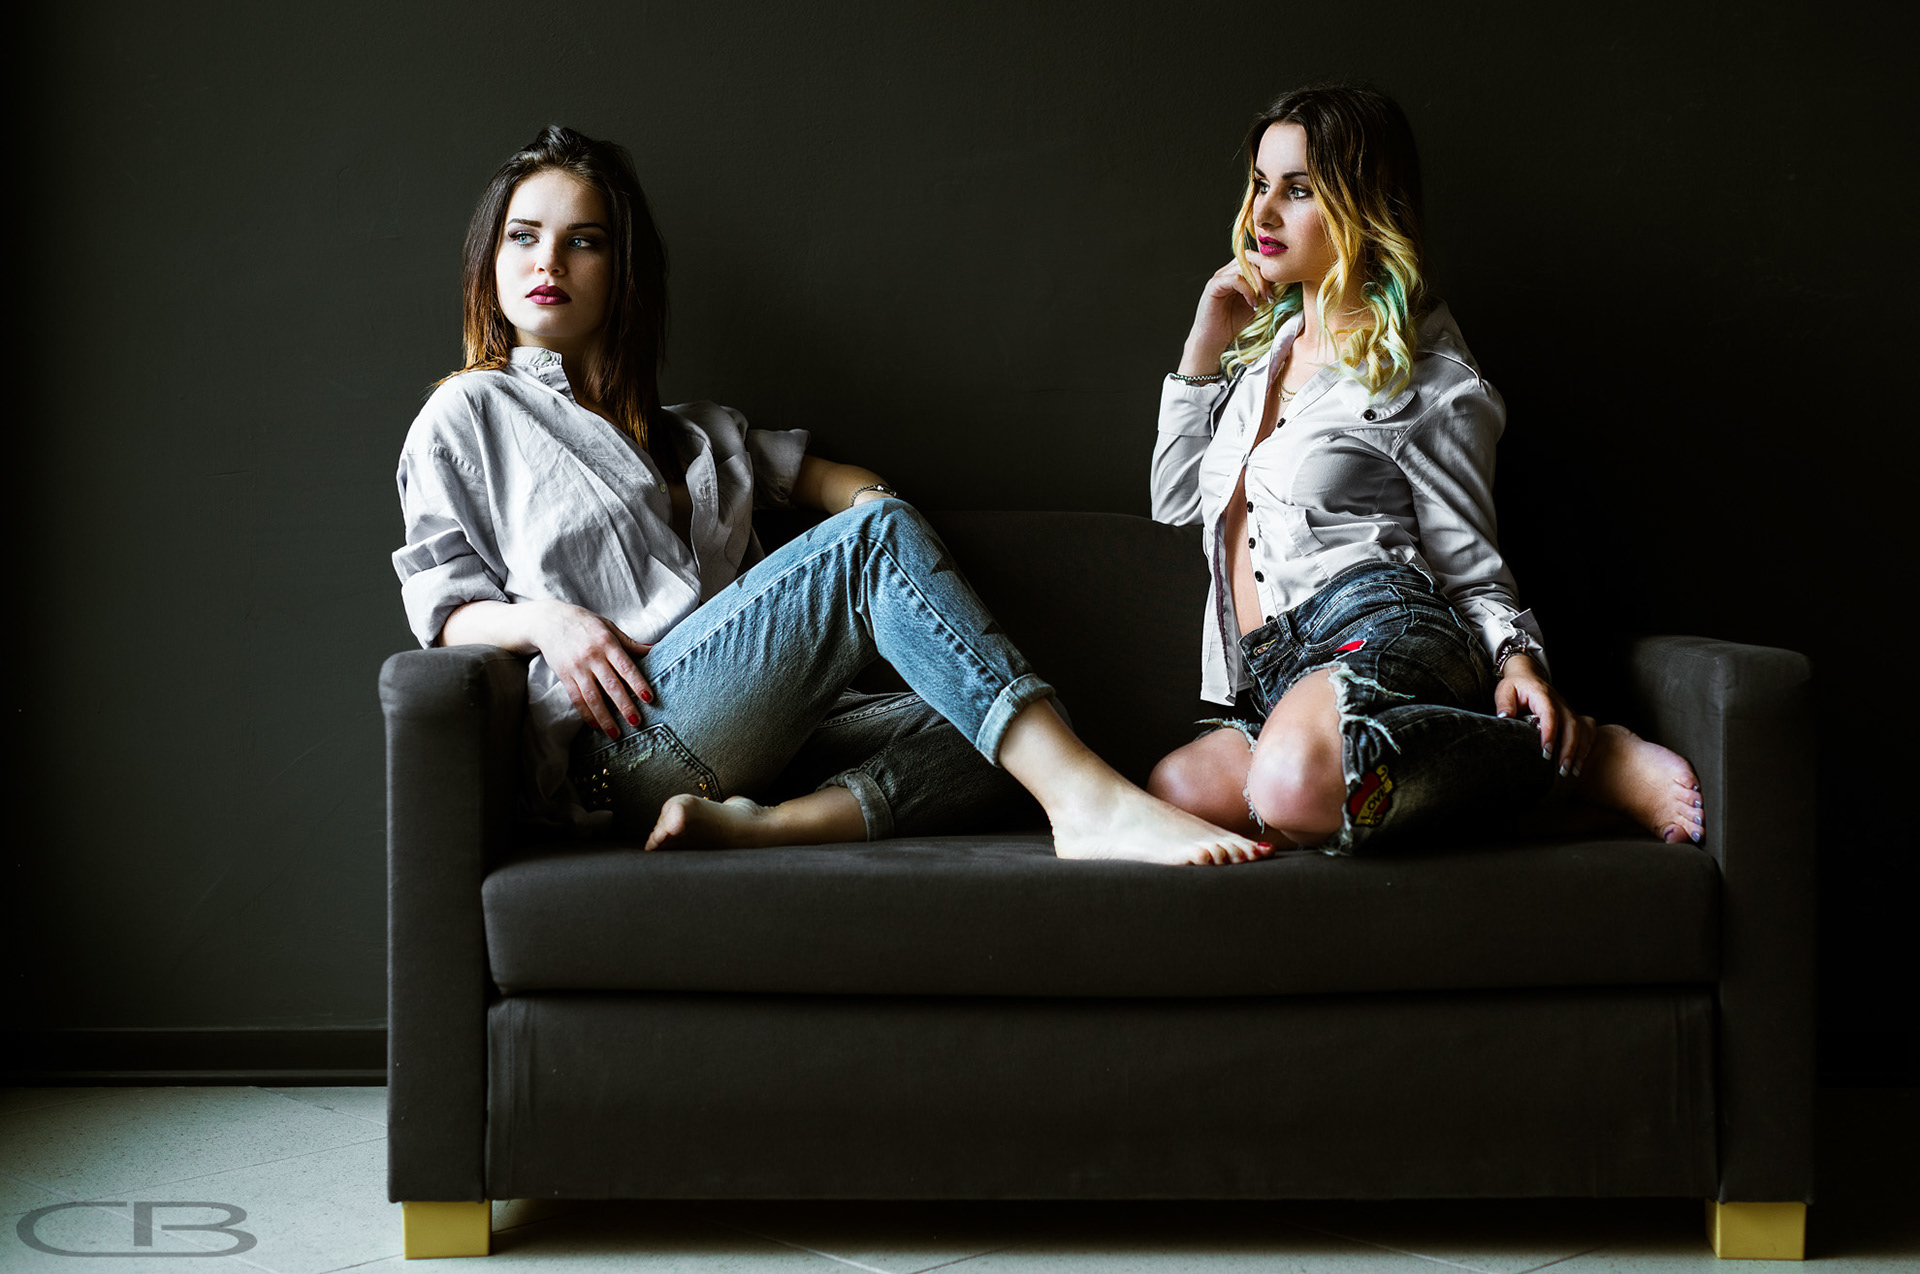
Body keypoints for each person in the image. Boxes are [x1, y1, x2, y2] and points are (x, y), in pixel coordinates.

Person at [393, 125, 1270, 866]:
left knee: (998, 716)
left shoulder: (696, 434)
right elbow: (443, 605)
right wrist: (546, 621)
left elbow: (830, 482)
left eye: (583, 240)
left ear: (622, 271)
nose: (548, 260)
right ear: (489, 259)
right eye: (523, 236)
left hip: (750, 739)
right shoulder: (469, 411)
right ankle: (1090, 805)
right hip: (620, 740)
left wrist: (887, 523)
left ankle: (766, 828)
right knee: (882, 554)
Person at [1144, 85, 1704, 853]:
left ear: (1362, 204)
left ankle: (1587, 763)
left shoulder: (1428, 376)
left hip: (1380, 628)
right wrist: (1203, 348)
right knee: (1178, 792)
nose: (1262, 214)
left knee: (1288, 785)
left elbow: (1471, 567)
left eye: (1298, 189)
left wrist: (1520, 663)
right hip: (1276, 672)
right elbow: (1177, 508)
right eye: (1260, 183)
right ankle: (1442, 795)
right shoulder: (1258, 364)